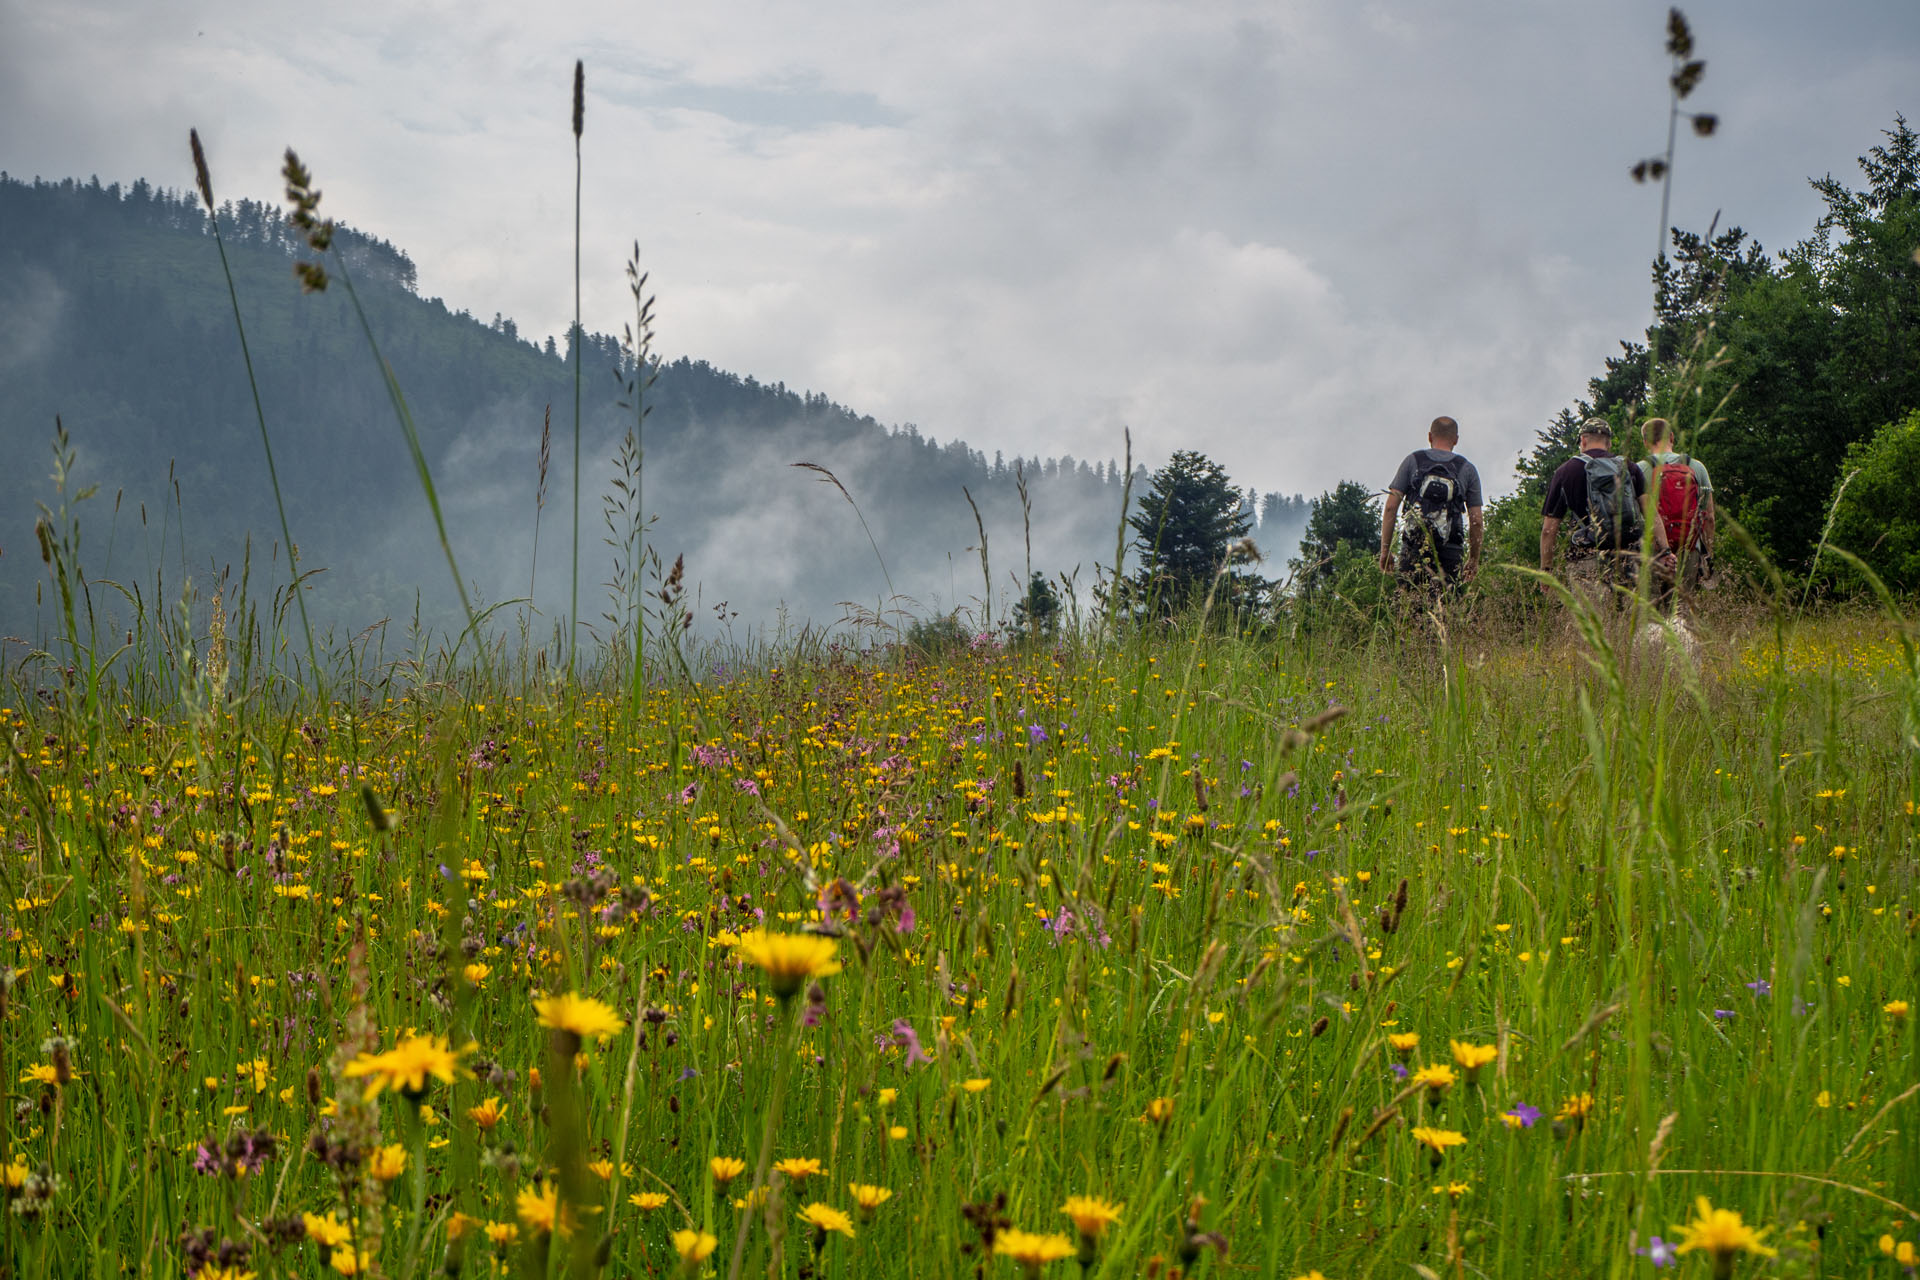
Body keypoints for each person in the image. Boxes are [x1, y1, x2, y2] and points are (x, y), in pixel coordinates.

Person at [1539, 417, 1670, 609]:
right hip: (1629, 556)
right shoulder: (1629, 467)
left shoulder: (1565, 472)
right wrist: (1666, 551)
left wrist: (1546, 570)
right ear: (1608, 442)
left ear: (1583, 440)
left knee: (1594, 628)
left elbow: (1549, 530)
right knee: (1633, 628)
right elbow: (1652, 515)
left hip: (1585, 559)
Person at [1379, 416, 1484, 595]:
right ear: (1456, 440)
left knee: (1408, 612)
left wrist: (1385, 550)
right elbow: (1476, 521)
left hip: (1413, 548)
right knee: (1446, 613)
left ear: (1429, 436)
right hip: (1450, 552)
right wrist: (1473, 560)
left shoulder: (1412, 461)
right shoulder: (1467, 469)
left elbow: (1390, 507)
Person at [1635, 417, 1715, 613]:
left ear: (1645, 441)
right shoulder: (1697, 467)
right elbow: (1709, 517)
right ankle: (1681, 643)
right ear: (1671, 437)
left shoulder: (1639, 469)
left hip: (1652, 549)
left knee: (1651, 610)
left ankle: (1655, 643)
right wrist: (1708, 554)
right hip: (1689, 548)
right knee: (1681, 611)